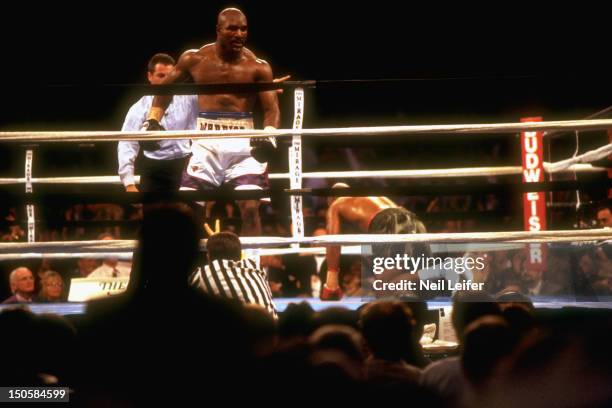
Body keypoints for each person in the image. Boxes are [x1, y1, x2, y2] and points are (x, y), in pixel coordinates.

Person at [142, 8, 281, 236]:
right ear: (218, 29)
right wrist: (153, 119)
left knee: (249, 207)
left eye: (243, 29)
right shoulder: (194, 59)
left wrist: (268, 134)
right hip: (206, 140)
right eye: (232, 28)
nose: (239, 34)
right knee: (188, 207)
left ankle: (253, 270)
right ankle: (193, 268)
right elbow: (166, 89)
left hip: (243, 142)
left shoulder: (258, 66)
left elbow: (271, 108)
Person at [321, 183, 427, 300]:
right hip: (414, 223)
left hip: (390, 226)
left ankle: (439, 275)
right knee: (393, 283)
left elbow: (332, 240)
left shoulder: (337, 204)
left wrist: (331, 283)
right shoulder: (370, 198)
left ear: (332, 199)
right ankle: (437, 275)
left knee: (383, 289)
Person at [118, 53, 197, 193]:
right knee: (154, 213)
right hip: (154, 168)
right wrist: (128, 182)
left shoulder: (189, 100)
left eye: (170, 76)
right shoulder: (139, 108)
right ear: (150, 76)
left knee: (187, 211)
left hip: (185, 164)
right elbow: (126, 143)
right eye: (161, 76)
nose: (167, 81)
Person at [190, 231, 277, 317]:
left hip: (243, 329)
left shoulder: (203, 273)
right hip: (273, 326)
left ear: (208, 256)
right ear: (239, 254)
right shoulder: (255, 267)